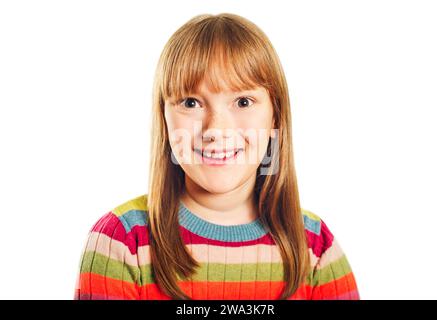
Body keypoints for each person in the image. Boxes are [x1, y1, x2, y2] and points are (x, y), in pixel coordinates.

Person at [74, 13, 360, 300]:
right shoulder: (121, 242)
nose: (216, 129)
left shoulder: (316, 250)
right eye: (191, 102)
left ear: (275, 117)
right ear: (164, 119)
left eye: (243, 101)